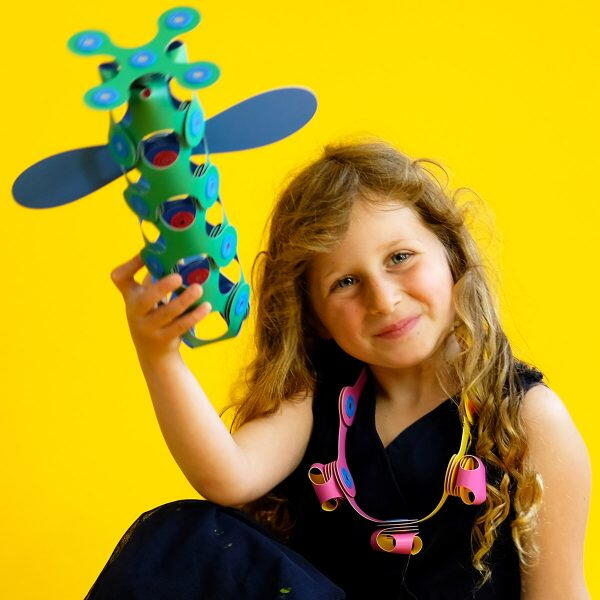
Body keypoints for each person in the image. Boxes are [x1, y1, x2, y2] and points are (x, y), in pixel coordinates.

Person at [86, 138, 591, 599]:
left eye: (400, 257)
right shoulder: (318, 398)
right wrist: (160, 355)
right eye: (345, 282)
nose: (383, 299)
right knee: (185, 535)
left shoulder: (530, 419)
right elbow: (228, 476)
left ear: (453, 257)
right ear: (315, 317)